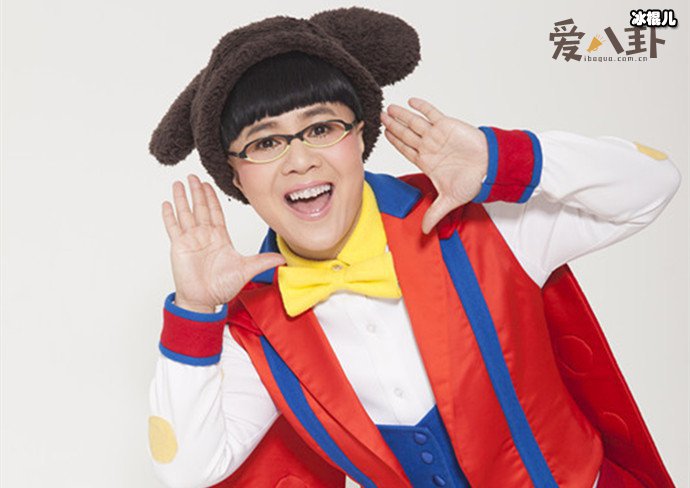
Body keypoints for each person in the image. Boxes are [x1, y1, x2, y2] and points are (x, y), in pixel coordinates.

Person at [147, 8, 681, 488]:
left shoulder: (480, 224)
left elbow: (653, 184)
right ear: (235, 176)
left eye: (322, 128)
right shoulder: (255, 326)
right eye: (266, 142)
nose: (300, 160)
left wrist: (503, 161)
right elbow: (189, 470)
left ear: (361, 136)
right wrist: (195, 309)